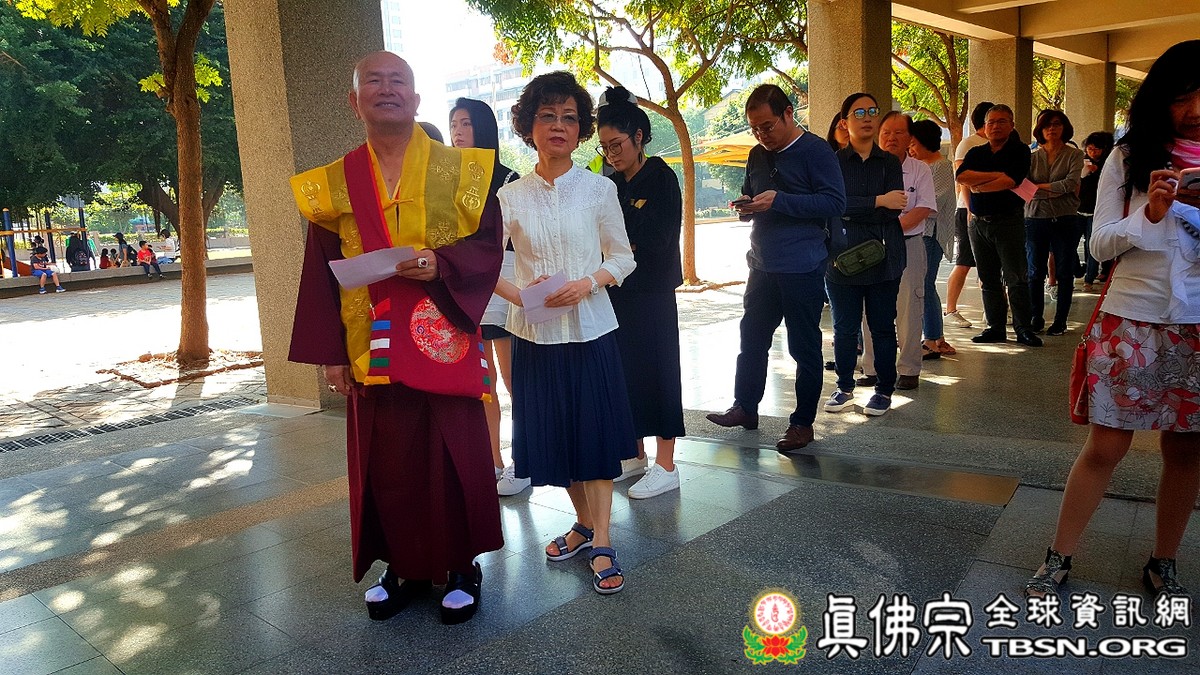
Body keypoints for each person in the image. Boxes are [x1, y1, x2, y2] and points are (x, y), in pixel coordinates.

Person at [288, 51, 504, 624]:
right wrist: (331, 353)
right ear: (354, 100)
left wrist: (442, 264)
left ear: (415, 98)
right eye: (374, 81)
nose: (387, 89)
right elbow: (319, 266)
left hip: (441, 335)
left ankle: (461, 566)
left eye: (398, 81)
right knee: (389, 461)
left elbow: (487, 242)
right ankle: (403, 567)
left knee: (453, 452)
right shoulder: (333, 183)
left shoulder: (462, 170)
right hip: (372, 340)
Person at [1025, 40, 1200, 600]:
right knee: (1105, 447)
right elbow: (1098, 244)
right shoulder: (1128, 157)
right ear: (1159, 99)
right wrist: (1150, 214)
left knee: (1188, 452)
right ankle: (1059, 555)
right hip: (1132, 320)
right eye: (1182, 97)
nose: (1194, 110)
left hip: (1197, 324)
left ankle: (1164, 561)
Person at [495, 71, 637, 594]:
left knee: (593, 436)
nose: (559, 125)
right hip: (535, 337)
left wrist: (588, 282)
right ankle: (582, 523)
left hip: (592, 330)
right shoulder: (510, 197)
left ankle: (603, 539)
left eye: (570, 117)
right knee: (557, 436)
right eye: (548, 116)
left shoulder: (600, 189)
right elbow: (483, 264)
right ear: (529, 127)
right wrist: (523, 298)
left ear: (581, 130)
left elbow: (623, 257)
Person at [706, 84, 846, 449]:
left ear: (788, 113)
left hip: (802, 267)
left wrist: (779, 201)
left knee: (803, 348)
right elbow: (753, 194)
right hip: (761, 265)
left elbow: (834, 202)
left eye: (767, 126)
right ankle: (745, 407)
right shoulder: (757, 154)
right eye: (754, 128)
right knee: (751, 339)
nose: (761, 135)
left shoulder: (816, 151)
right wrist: (746, 206)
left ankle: (802, 424)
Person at [596, 85, 686, 498]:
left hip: (653, 292)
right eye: (604, 148)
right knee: (625, 373)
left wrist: (622, 244)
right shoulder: (611, 184)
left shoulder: (661, 177)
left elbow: (657, 238)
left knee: (660, 373)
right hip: (618, 291)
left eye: (616, 145)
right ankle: (634, 455)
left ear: (638, 137)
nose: (611, 154)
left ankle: (667, 465)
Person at [448, 97, 527, 497]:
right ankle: (493, 461)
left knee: (514, 380)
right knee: (483, 383)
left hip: (503, 285)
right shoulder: (448, 180)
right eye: (453, 124)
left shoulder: (509, 179)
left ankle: (524, 461)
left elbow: (516, 237)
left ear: (482, 127)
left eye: (465, 123)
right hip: (468, 289)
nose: (457, 132)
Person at [823, 92, 905, 417]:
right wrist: (877, 201)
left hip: (884, 258)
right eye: (859, 113)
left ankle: (884, 391)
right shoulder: (832, 162)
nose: (867, 117)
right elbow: (833, 204)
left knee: (882, 328)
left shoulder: (890, 162)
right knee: (844, 329)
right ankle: (844, 387)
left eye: (872, 111)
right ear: (845, 122)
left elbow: (895, 208)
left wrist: (856, 207)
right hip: (841, 260)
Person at [859, 112, 935, 391]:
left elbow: (923, 208)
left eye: (898, 132)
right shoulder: (866, 167)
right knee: (870, 307)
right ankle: (872, 368)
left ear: (910, 138)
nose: (891, 138)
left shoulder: (919, 169)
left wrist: (889, 229)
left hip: (908, 245)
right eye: (886, 132)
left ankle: (909, 369)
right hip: (871, 247)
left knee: (909, 307)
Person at [955, 104, 1041, 347]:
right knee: (987, 278)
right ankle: (995, 327)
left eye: (1001, 121)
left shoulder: (1020, 150)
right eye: (991, 122)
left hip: (1008, 222)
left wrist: (980, 184)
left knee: (1016, 277)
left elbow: (1011, 181)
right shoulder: (976, 152)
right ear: (984, 126)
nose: (995, 126)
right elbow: (961, 177)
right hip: (978, 224)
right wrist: (995, 176)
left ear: (1011, 125)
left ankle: (1023, 328)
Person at [1025, 110, 1085, 336]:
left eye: (1057, 124)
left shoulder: (1074, 155)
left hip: (1065, 218)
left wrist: (1039, 188)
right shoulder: (1031, 157)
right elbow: (1024, 188)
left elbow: (1070, 184)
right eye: (1046, 125)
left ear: (1064, 128)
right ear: (1040, 130)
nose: (1052, 128)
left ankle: (1060, 321)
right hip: (1035, 218)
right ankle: (1035, 317)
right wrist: (1053, 190)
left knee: (1064, 271)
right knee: (1034, 271)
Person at [910, 119, 957, 358]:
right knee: (923, 285)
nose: (910, 149)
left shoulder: (941, 166)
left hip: (931, 233)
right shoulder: (919, 166)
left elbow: (934, 203)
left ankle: (932, 339)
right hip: (920, 232)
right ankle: (935, 337)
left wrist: (907, 207)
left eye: (913, 143)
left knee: (924, 285)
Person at [945, 101, 994, 329]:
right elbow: (962, 179)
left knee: (992, 264)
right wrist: (970, 210)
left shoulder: (997, 145)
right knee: (964, 262)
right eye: (993, 120)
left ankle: (993, 310)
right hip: (968, 211)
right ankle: (950, 310)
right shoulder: (968, 144)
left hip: (992, 210)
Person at [1078, 131, 1116, 292]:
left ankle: (1089, 278)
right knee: (1072, 243)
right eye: (1090, 148)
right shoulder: (1080, 162)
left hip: (1097, 211)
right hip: (1079, 209)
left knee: (1092, 244)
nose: (1092, 152)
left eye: (1096, 149)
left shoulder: (1108, 165)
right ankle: (1080, 270)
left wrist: (1096, 172)